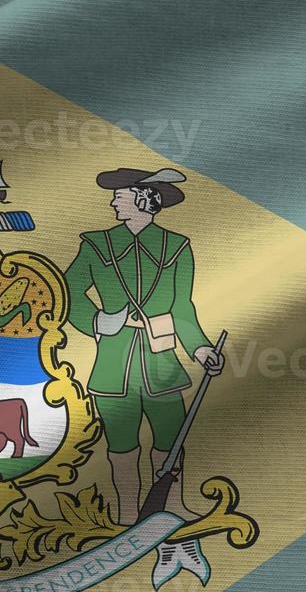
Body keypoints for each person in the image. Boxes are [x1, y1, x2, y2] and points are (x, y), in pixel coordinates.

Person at [65, 167, 223, 525]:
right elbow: (71, 293)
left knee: (170, 436)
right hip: (113, 364)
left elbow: (182, 307)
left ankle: (172, 505)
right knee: (121, 443)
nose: (112, 202)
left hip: (162, 364)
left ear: (142, 199)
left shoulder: (176, 247)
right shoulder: (96, 244)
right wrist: (100, 322)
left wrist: (200, 349)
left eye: (119, 196)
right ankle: (127, 512)